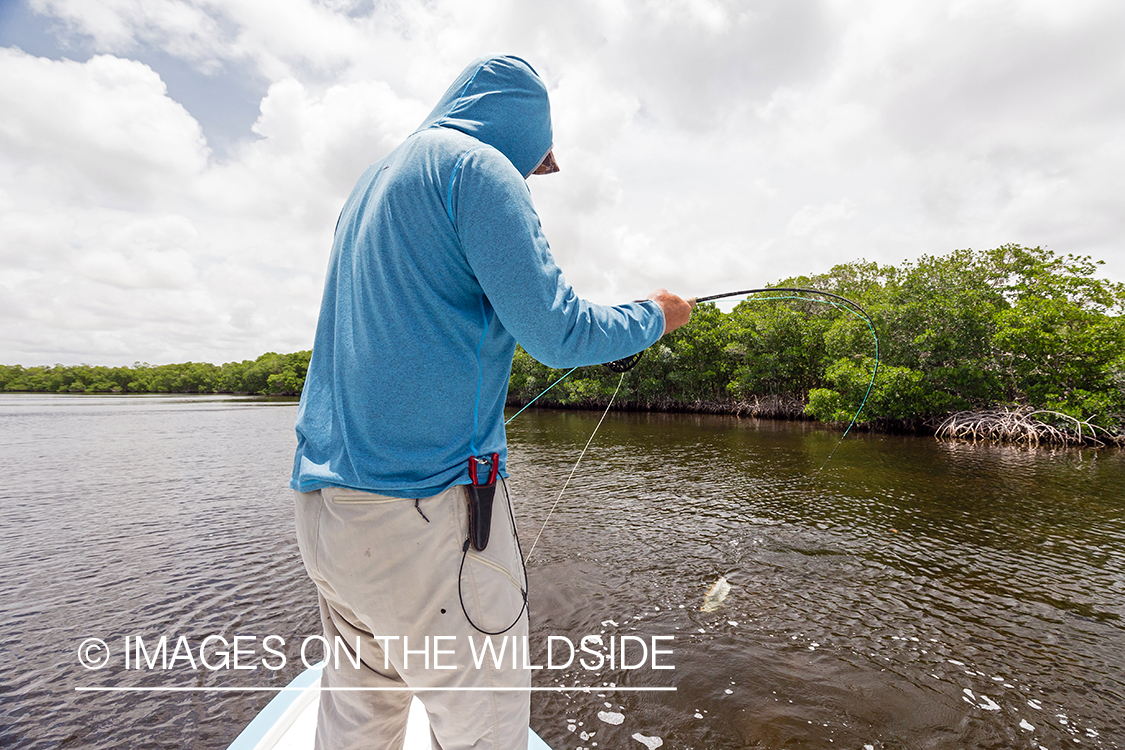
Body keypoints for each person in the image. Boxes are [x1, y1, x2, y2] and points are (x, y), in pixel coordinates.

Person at [290, 55, 693, 750]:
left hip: (324, 510)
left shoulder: (370, 184)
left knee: (360, 717)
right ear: (520, 126)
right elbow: (558, 331)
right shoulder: (477, 168)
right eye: (541, 160)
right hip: (424, 513)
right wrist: (656, 314)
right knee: (485, 730)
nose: (542, 173)